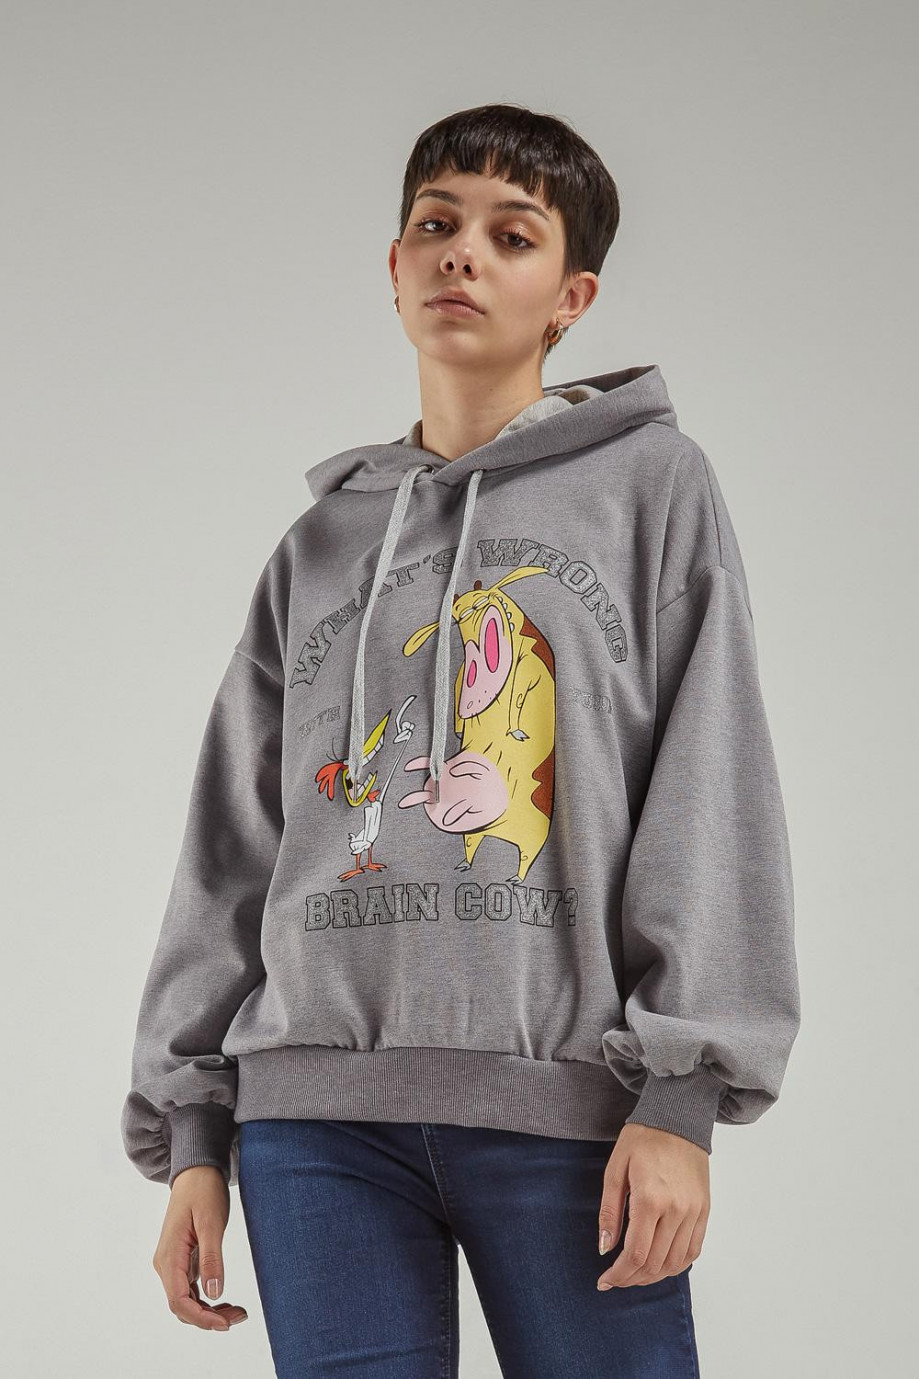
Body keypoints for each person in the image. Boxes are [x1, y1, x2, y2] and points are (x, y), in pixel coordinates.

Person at [121, 102, 801, 1377]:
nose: (462, 253)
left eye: (511, 234)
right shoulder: (321, 544)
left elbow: (711, 784)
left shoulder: (653, 487)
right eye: (436, 224)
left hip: (569, 1113)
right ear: (394, 268)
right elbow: (233, 840)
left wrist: (682, 1093)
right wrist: (193, 1125)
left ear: (570, 297)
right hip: (312, 1120)